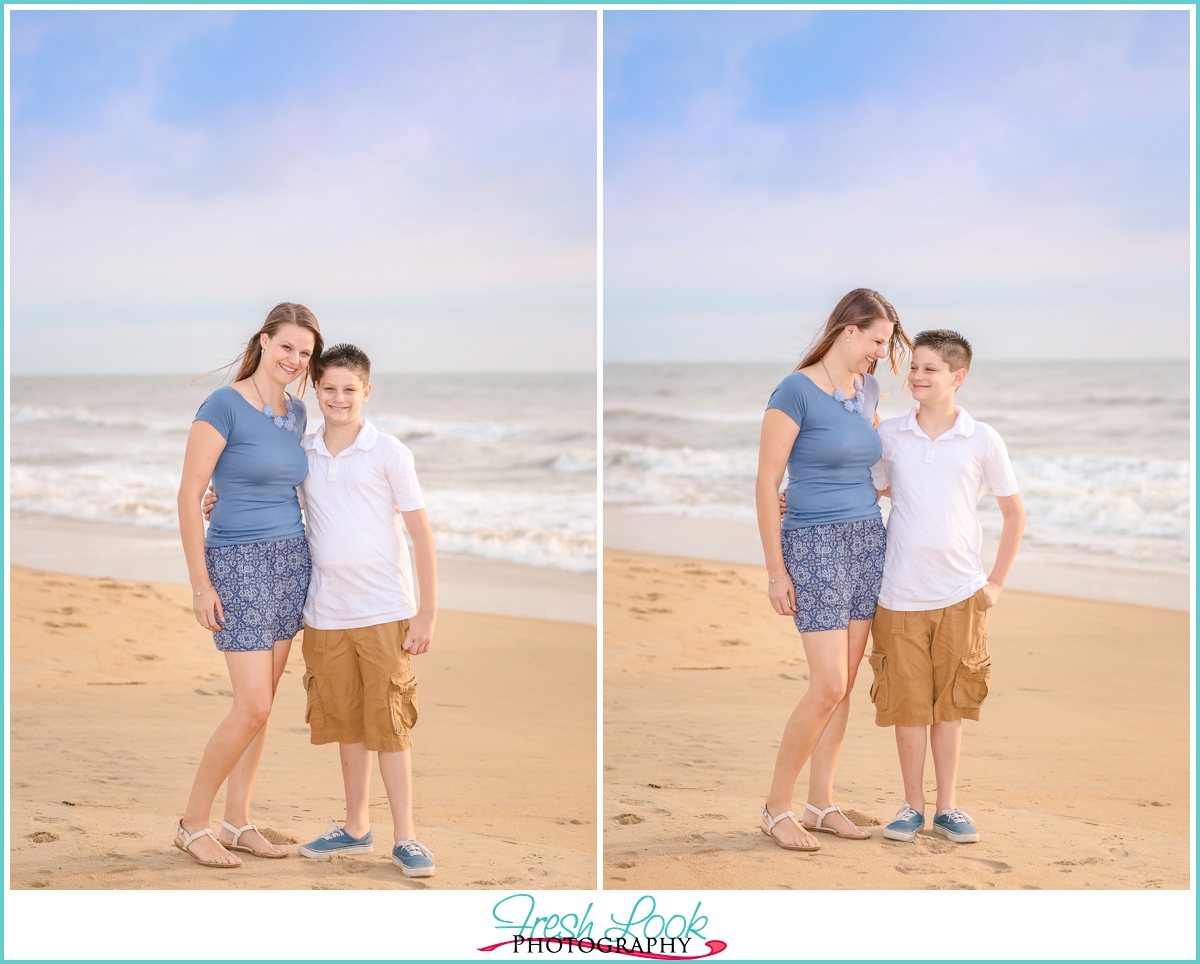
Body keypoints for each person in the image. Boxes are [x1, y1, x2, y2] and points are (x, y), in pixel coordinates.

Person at [755, 288, 911, 852]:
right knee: (827, 683)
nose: (880, 352)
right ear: (849, 331)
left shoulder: (865, 388)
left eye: (885, 343)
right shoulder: (794, 390)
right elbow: (767, 483)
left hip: (867, 539)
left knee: (844, 685)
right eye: (876, 341)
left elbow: (863, 464)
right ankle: (777, 808)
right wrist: (777, 572)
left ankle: (821, 803)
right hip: (813, 543)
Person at [173, 302, 322, 868]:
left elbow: (294, 486)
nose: (294, 359)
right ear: (264, 341)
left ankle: (238, 821)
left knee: (265, 706)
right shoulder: (223, 404)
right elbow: (190, 495)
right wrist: (199, 585)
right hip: (236, 564)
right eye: (287, 347)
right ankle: (193, 825)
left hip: (291, 561)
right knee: (251, 704)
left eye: (304, 353)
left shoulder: (298, 413)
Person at [868, 330, 1024, 844]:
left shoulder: (982, 438)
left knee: (950, 705)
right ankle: (912, 805)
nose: (917, 375)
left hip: (961, 592)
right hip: (898, 593)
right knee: (908, 705)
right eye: (914, 366)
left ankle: (949, 807)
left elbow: (1013, 513)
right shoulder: (890, 434)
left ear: (958, 377)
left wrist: (996, 582)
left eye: (930, 369)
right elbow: (865, 485)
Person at [288, 344, 439, 876]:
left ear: (366, 391)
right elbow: (266, 495)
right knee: (348, 725)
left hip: (383, 610)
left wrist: (425, 614)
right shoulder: (301, 452)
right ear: (315, 390)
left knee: (389, 724)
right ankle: (355, 830)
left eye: (349, 388)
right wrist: (216, 500)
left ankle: (407, 838)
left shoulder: (388, 452)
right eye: (328, 388)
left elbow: (421, 534)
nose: (338, 398)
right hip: (325, 612)